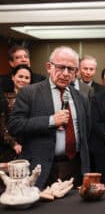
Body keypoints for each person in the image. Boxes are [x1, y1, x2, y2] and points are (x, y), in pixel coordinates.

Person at [8, 46, 90, 189]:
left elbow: (86, 132)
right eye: (60, 67)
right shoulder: (29, 93)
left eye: (71, 69)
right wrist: (51, 121)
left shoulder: (81, 97)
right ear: (48, 67)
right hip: (42, 168)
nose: (65, 74)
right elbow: (15, 126)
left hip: (75, 168)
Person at [0, 64, 33, 163]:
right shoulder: (4, 99)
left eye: (27, 78)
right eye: (20, 76)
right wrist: (13, 144)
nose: (23, 80)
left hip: (30, 147)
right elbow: (2, 125)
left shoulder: (34, 99)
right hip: (9, 148)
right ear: (13, 77)